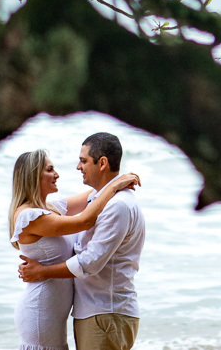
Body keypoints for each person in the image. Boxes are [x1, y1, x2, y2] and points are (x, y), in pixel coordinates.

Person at [19, 132, 146, 350]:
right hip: (97, 312)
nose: (78, 167)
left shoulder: (117, 205)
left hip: (105, 312)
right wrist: (113, 185)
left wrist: (43, 271)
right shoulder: (100, 200)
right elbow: (80, 215)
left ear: (102, 163)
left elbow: (90, 261)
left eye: (83, 160)